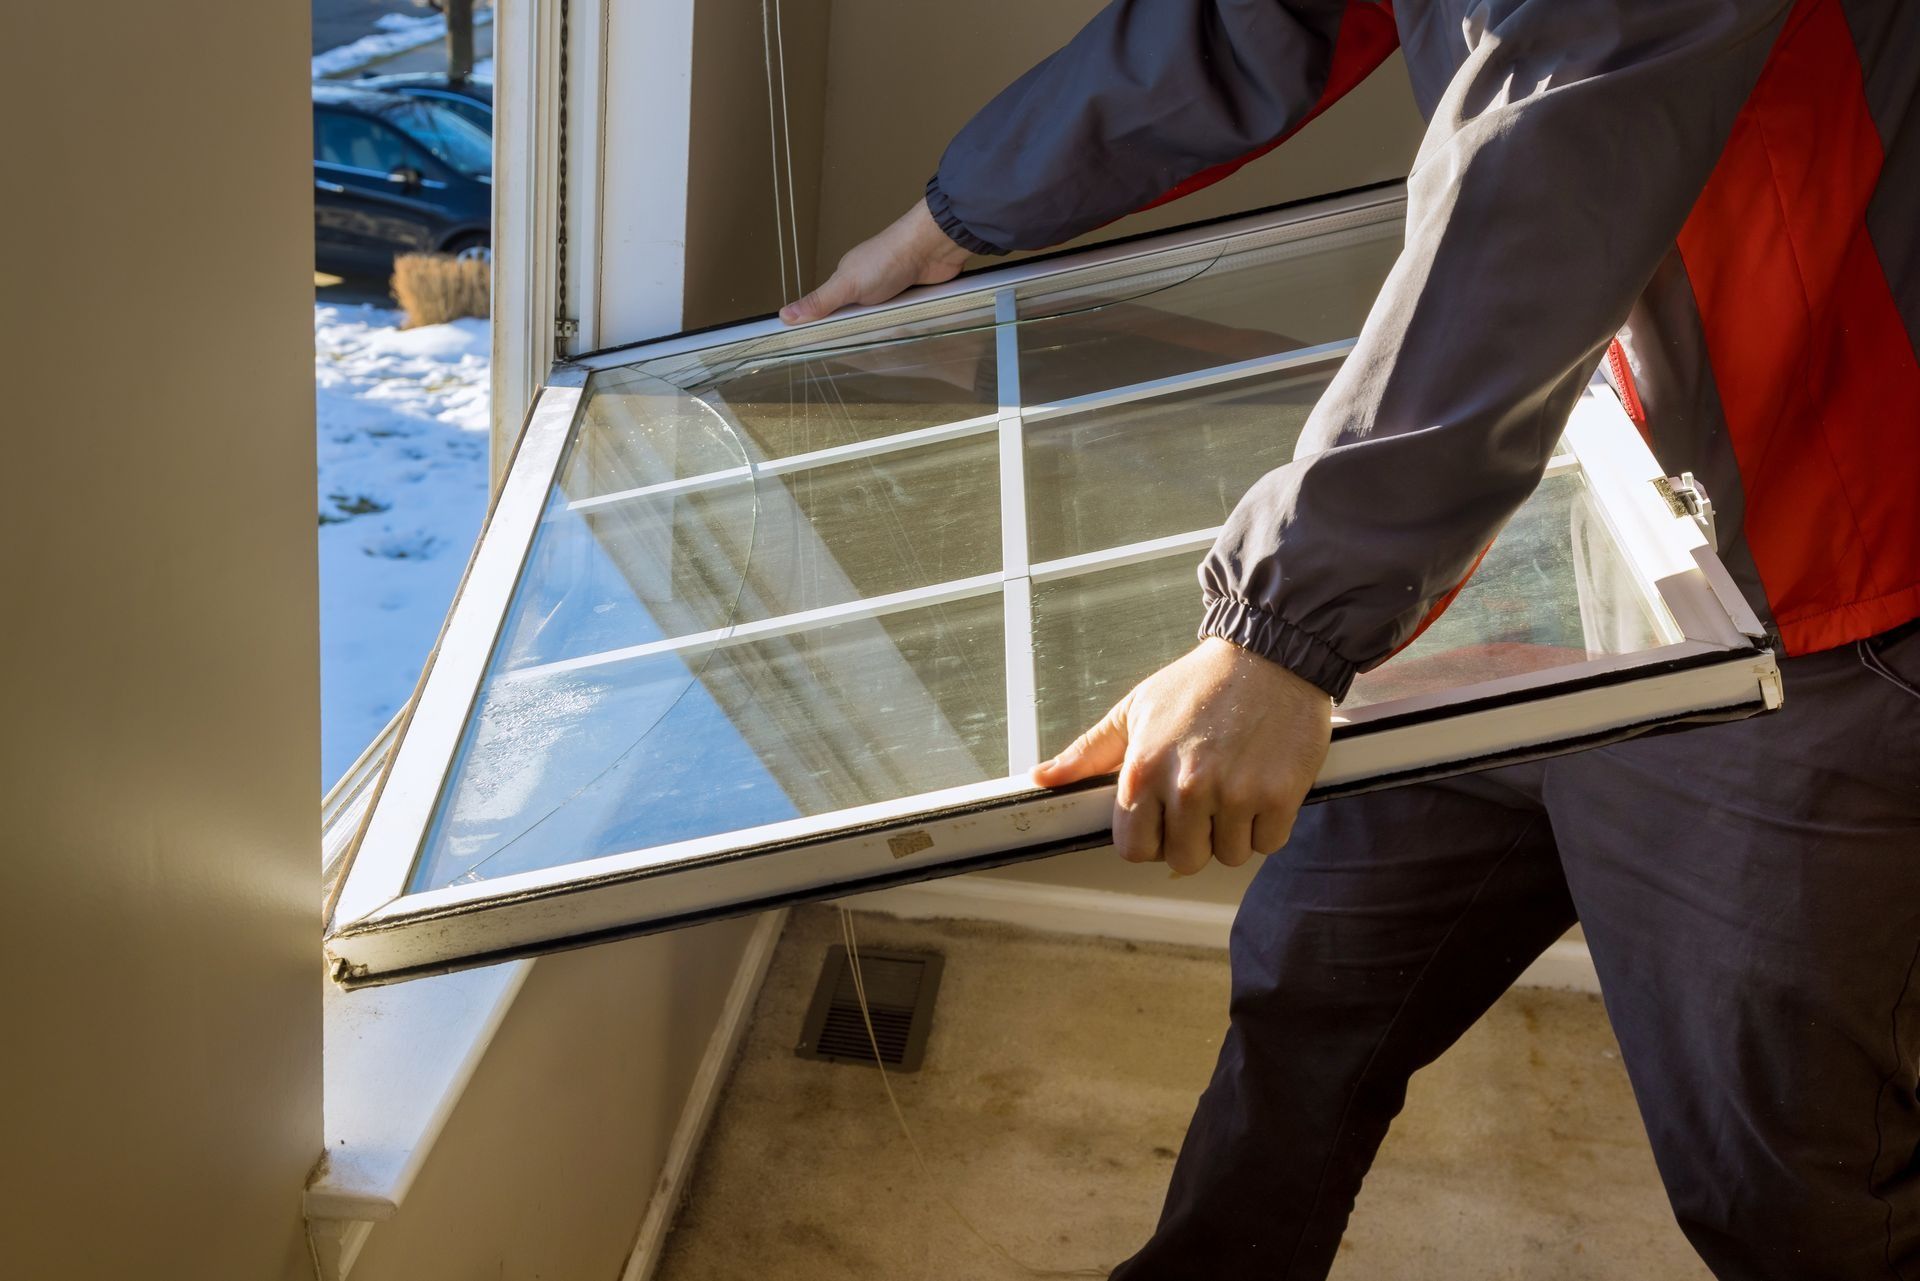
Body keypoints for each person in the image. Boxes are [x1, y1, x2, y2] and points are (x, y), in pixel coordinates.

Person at [783, 2, 1920, 1276]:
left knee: (1789, 1191)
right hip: (1562, 505)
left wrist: (1285, 630)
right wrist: (963, 215)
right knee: (1307, 991)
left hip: (1807, 591)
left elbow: (1547, 180)